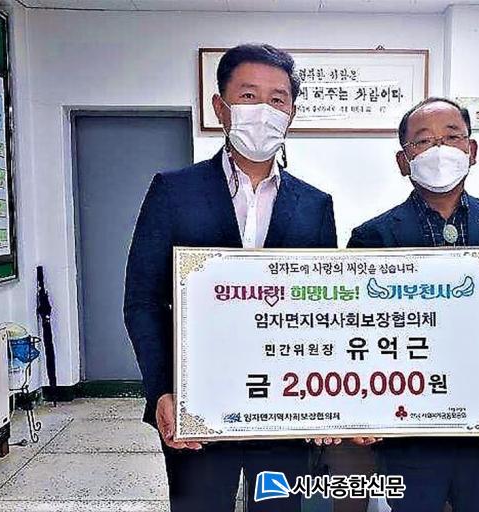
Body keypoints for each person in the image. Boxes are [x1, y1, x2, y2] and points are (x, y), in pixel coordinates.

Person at [123, 43, 337, 512]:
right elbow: (143, 300)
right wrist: (161, 389)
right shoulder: (174, 191)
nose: (264, 110)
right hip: (197, 402)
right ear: (221, 107)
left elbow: (323, 309)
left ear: (292, 113)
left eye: (277, 99)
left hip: (285, 405)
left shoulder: (315, 205)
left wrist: (327, 398)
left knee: (278, 506)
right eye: (248, 96)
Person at [347, 97, 479, 512]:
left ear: (471, 150)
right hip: (409, 430)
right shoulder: (373, 237)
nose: (439, 149)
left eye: (452, 137)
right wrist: (362, 409)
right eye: (423, 141)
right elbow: (355, 332)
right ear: (403, 160)